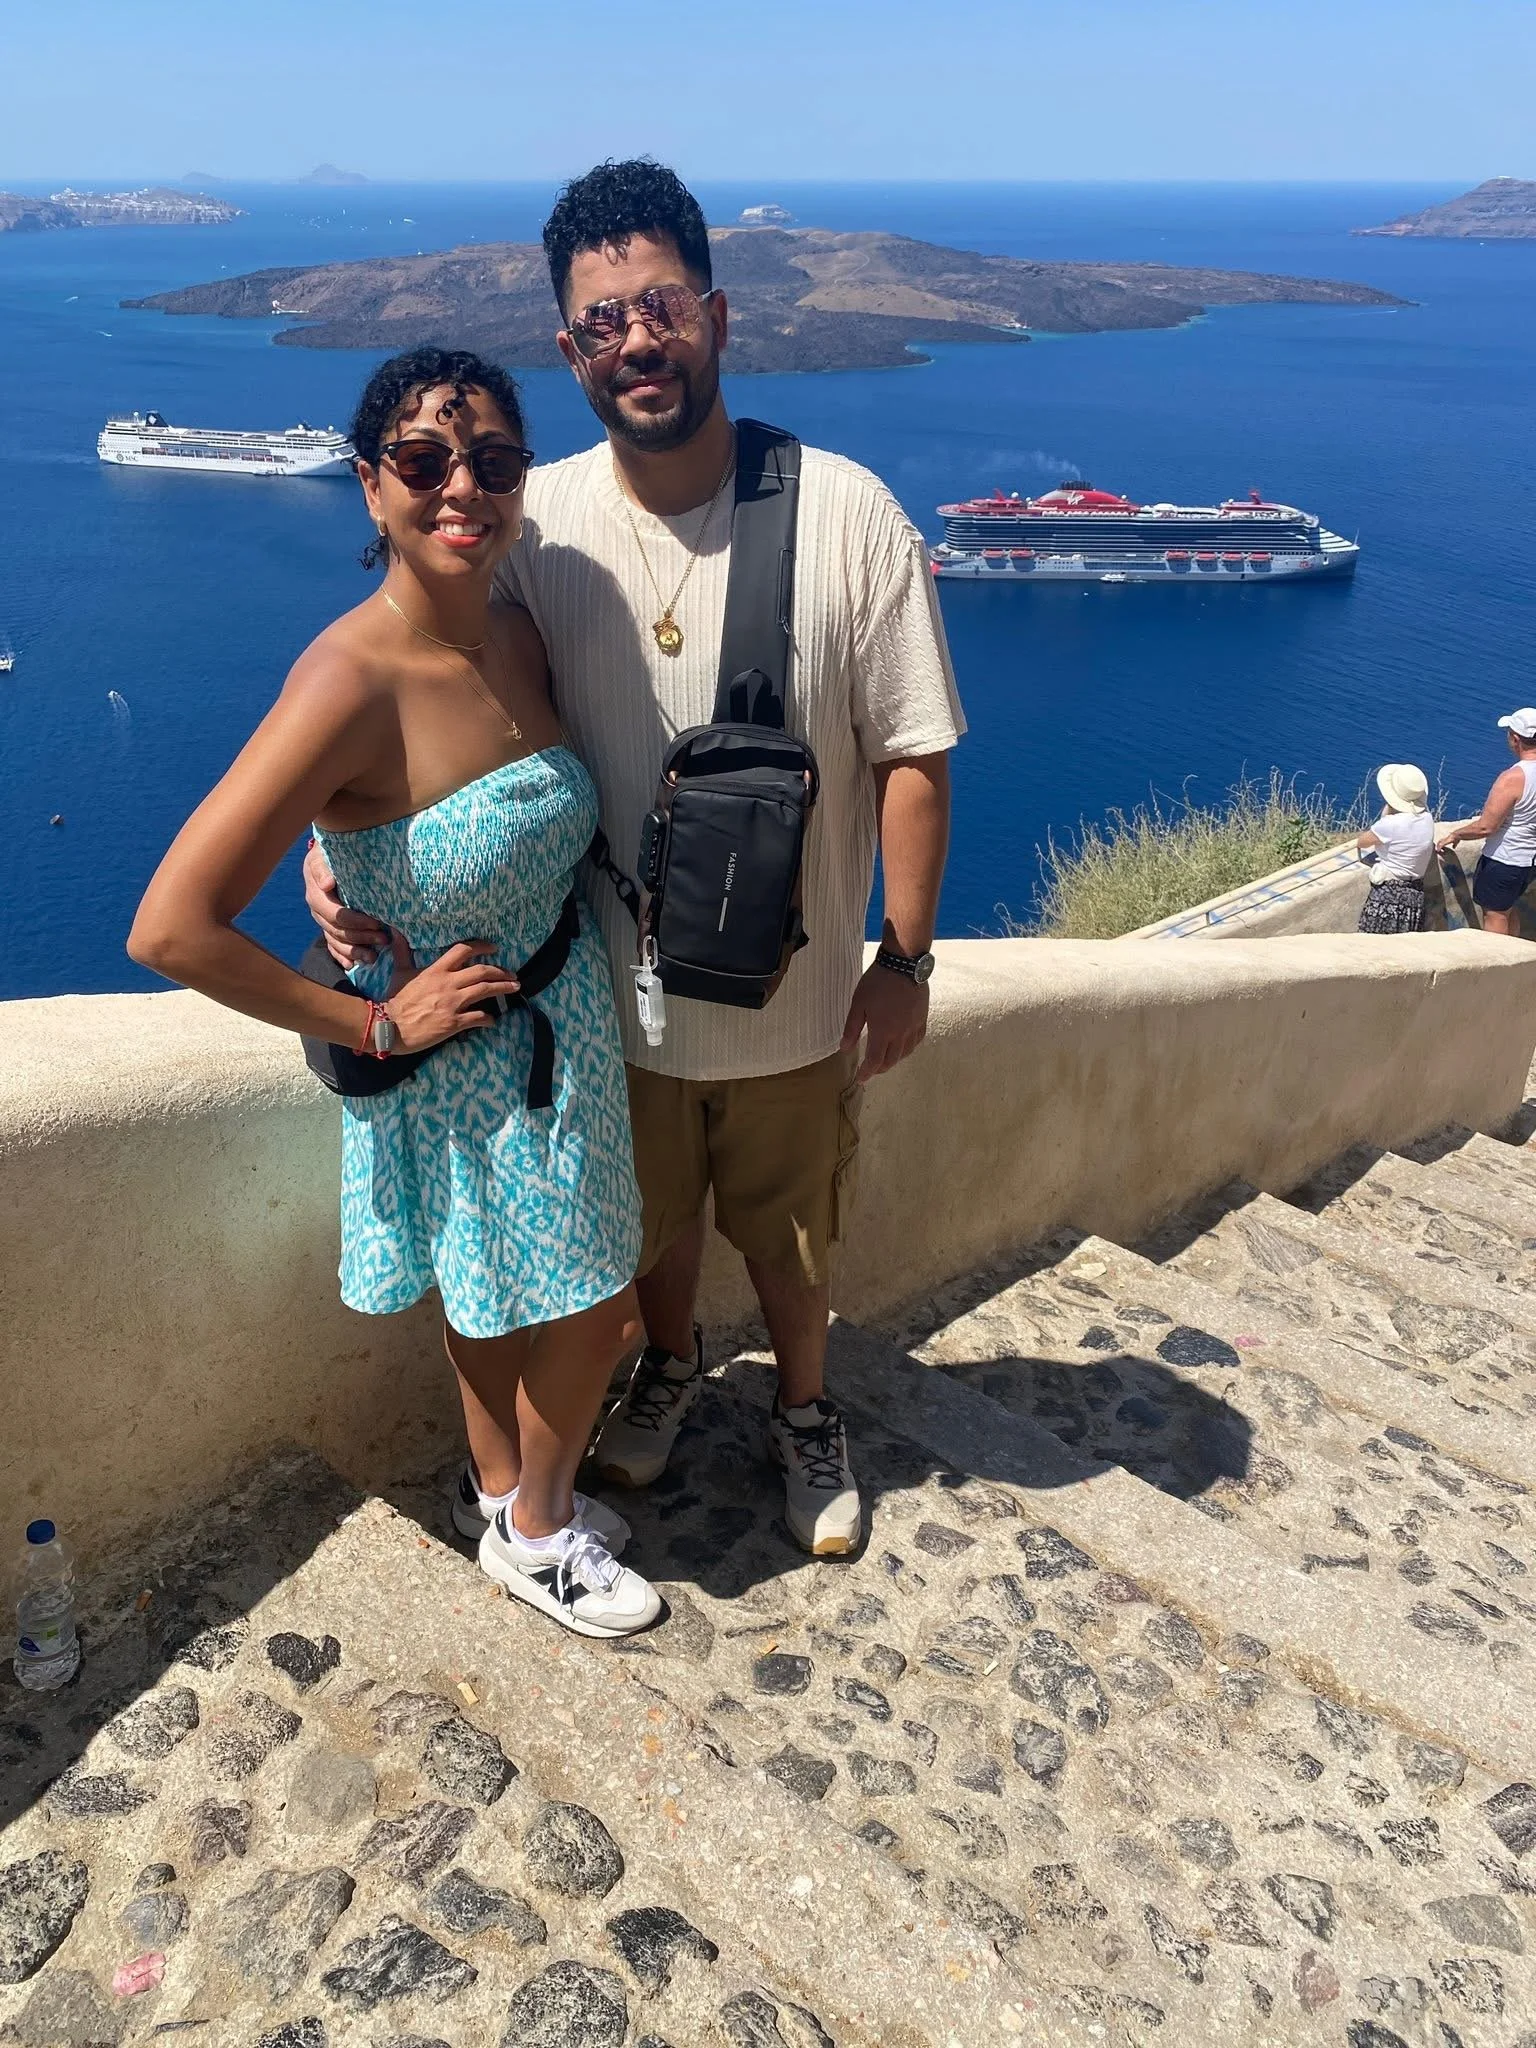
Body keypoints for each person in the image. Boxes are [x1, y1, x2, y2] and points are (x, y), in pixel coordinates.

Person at [307, 160, 965, 1558]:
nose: (637, 339)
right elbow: (405, 673)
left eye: (660, 305)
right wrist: (335, 849)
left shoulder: (847, 512)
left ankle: (802, 1411)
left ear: (716, 315)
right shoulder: (528, 518)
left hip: (791, 1002)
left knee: (789, 1244)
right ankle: (668, 1377)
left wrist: (902, 958)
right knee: (641, 1246)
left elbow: (915, 756)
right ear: (570, 348)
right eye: (603, 321)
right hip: (603, 1005)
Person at [129, 348, 662, 1640]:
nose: (460, 488)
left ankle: (496, 1491)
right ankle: (540, 1536)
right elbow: (171, 925)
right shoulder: (346, 680)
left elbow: (422, 830)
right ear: (370, 489)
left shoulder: (517, 627)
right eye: (423, 464)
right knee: (600, 1305)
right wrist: (372, 1020)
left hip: (561, 1017)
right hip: (461, 1053)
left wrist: (335, 857)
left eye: (490, 461)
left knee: (487, 1291)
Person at [1438, 708, 1536, 937]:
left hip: (1505, 859)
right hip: (1530, 860)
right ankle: (1516, 960)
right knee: (1508, 911)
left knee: (1495, 916)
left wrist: (1457, 834)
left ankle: (1500, 967)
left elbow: (1486, 826)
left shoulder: (1513, 778)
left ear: (1515, 739)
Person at [1355, 762, 1434, 933]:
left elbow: (1362, 842)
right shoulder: (1427, 819)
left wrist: (1388, 811)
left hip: (1388, 894)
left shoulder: (1390, 825)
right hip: (1415, 895)